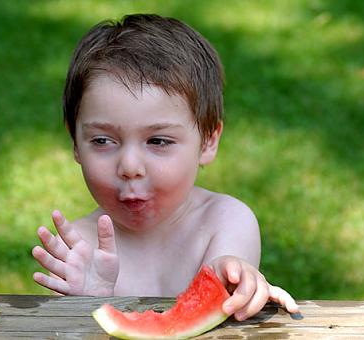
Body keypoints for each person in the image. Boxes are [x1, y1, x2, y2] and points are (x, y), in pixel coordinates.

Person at [32, 13, 299, 321]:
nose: (130, 167)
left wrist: (236, 278)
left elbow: (223, 287)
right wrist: (88, 303)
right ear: (76, 143)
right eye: (103, 141)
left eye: (158, 141)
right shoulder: (79, 246)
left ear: (208, 142)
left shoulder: (225, 221)